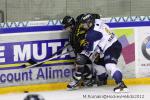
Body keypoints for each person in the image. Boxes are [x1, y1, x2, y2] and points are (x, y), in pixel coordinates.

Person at [79, 13, 128, 92]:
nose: (82, 26)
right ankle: (102, 78)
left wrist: (84, 45)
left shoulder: (91, 34)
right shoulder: (98, 21)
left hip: (111, 47)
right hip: (111, 45)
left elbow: (90, 49)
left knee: (110, 66)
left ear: (89, 22)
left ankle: (121, 84)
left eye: (84, 23)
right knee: (96, 61)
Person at [62, 14, 108, 90]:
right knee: (79, 60)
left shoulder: (79, 22)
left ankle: (101, 79)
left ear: (71, 25)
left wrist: (96, 16)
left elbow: (93, 17)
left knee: (99, 69)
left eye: (66, 27)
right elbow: (77, 49)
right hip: (86, 49)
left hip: (94, 47)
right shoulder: (71, 37)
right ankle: (86, 79)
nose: (66, 29)